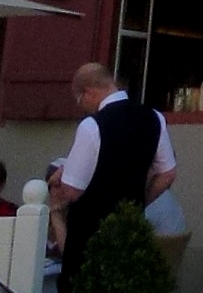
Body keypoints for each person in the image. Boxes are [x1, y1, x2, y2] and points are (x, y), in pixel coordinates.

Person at [50, 61, 177, 288]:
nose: (82, 107)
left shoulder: (92, 126)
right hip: (129, 234)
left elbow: (72, 190)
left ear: (88, 93)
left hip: (89, 238)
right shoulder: (154, 117)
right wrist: (138, 202)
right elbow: (167, 173)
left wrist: (60, 177)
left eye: (80, 101)